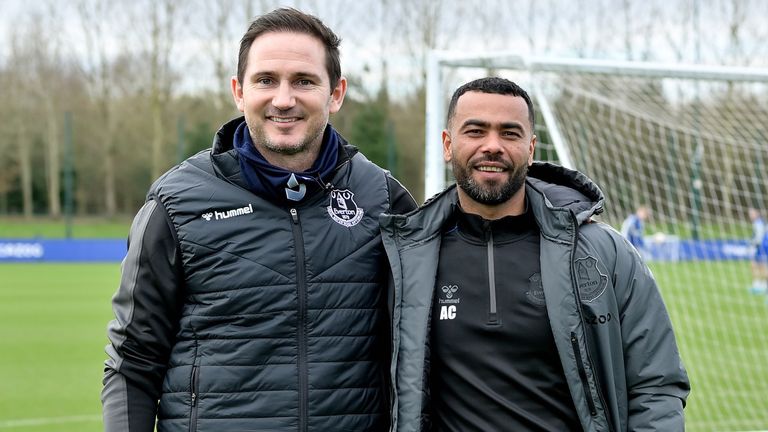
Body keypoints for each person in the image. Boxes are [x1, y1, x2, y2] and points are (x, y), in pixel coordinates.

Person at [101, 8, 415, 432]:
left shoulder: (382, 198)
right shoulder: (176, 203)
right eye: (266, 80)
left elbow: (422, 348)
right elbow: (132, 359)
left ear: (336, 93)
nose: (283, 99)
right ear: (238, 91)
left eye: (304, 81)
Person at [380, 77, 689, 431]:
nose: (492, 146)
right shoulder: (407, 259)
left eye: (510, 133)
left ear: (531, 148)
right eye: (476, 131)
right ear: (448, 144)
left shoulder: (604, 253)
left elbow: (656, 383)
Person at [748, 207, 768, 296]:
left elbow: (759, 237)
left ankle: (760, 285)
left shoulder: (759, 223)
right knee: (757, 266)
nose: (750, 215)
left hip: (761, 247)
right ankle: (760, 284)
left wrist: (753, 245)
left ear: (757, 213)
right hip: (762, 246)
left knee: (757, 266)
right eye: (750, 213)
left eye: (752, 213)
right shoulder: (761, 222)